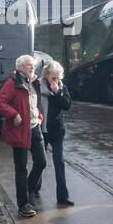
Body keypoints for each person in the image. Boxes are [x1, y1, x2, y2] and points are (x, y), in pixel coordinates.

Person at [0, 54, 46, 217]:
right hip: (20, 131)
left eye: (33, 65)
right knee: (21, 168)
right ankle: (23, 204)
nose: (33, 67)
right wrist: (14, 115)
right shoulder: (12, 83)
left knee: (42, 162)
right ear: (20, 67)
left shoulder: (35, 81)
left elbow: (36, 102)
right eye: (30, 65)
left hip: (35, 127)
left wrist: (39, 115)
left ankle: (27, 189)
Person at [39, 60, 74, 206]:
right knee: (40, 162)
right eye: (54, 77)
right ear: (46, 76)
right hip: (42, 129)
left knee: (59, 162)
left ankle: (62, 196)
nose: (56, 80)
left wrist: (58, 92)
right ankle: (35, 188)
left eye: (58, 77)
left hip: (57, 130)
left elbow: (67, 105)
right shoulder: (37, 86)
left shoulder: (61, 87)